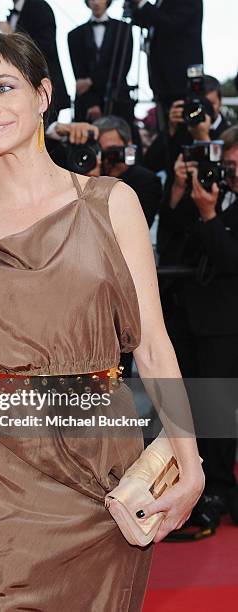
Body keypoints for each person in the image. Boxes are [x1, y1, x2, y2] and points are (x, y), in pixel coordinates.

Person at [0, 32, 204, 606]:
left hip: (102, 469)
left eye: (3, 87)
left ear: (43, 94)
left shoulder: (111, 203)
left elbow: (152, 345)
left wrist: (189, 461)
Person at [156, 125, 238, 530]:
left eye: (235, 167)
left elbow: (230, 260)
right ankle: (191, 486)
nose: (228, 174)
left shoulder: (216, 205)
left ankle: (219, 489)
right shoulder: (199, 192)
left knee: (219, 413)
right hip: (185, 320)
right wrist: (178, 188)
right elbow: (170, 236)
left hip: (225, 327)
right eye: (227, 165)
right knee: (185, 410)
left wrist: (210, 215)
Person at [0, 0, 70, 122]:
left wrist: (11, 35)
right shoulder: (14, 13)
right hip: (21, 91)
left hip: (42, 89)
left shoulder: (40, 7)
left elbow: (46, 47)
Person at [68, 0, 134, 125]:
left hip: (118, 99)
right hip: (87, 104)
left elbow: (122, 68)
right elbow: (79, 75)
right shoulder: (74, 35)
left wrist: (91, 81)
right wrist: (91, 103)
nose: (97, 2)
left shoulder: (123, 29)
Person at [132, 0, 203, 113]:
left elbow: (171, 24)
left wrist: (142, 4)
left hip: (180, 81)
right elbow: (149, 21)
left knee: (181, 122)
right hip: (161, 80)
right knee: (165, 124)